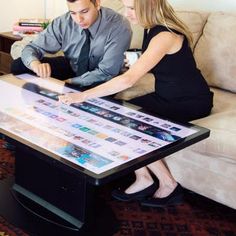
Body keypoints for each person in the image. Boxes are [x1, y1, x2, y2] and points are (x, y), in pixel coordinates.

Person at [58, 0, 214, 207]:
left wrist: (83, 96)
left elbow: (128, 80)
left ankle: (169, 185)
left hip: (191, 101)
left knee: (130, 123)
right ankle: (144, 178)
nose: (128, 13)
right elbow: (168, 63)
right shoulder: (152, 29)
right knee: (118, 112)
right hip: (166, 96)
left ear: (147, 6)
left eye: (132, 8)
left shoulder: (165, 35)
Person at [11, 0, 132, 88]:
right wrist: (35, 64)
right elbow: (33, 47)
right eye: (73, 13)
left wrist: (68, 83)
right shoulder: (63, 22)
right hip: (73, 66)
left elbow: (107, 72)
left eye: (84, 11)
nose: (79, 19)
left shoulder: (119, 26)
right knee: (19, 65)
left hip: (101, 76)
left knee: (89, 86)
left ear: (97, 4)